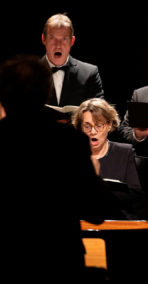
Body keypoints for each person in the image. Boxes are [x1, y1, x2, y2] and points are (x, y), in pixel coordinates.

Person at [0, 54, 117, 280]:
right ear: (45, 93)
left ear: (4, 96)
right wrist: (94, 174)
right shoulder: (70, 143)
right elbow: (96, 213)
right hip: (60, 264)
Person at [71, 98, 148, 219]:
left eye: (99, 125)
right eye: (87, 126)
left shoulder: (124, 152)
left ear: (109, 125)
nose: (93, 132)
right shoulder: (72, 155)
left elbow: (136, 197)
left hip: (118, 222)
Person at [42, 13, 104, 107]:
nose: (58, 45)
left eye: (64, 39)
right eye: (52, 38)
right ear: (44, 39)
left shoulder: (89, 73)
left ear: (72, 41)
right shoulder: (29, 74)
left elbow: (98, 113)